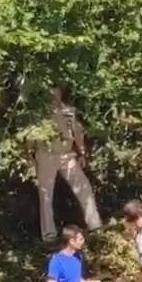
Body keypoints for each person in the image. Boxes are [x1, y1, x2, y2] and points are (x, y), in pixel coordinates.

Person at [35, 85, 102, 242]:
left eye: (56, 92)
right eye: (51, 93)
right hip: (46, 155)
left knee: (84, 187)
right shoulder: (39, 114)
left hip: (66, 154)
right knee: (46, 194)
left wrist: (82, 153)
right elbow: (31, 137)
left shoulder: (68, 111)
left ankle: (95, 224)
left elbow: (77, 133)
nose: (53, 96)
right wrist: (30, 159)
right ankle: (49, 234)